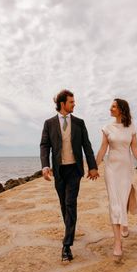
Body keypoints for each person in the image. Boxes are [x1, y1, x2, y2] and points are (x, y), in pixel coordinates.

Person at [40, 89, 99, 262]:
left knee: (70, 203)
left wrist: (93, 167)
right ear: (62, 104)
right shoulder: (49, 123)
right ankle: (70, 229)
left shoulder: (79, 123)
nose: (74, 104)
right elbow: (44, 146)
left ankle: (66, 246)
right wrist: (45, 166)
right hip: (59, 171)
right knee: (63, 205)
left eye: (74, 101)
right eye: (71, 102)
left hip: (74, 170)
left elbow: (86, 146)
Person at [96, 98, 137, 260]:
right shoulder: (107, 128)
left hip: (126, 169)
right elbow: (103, 148)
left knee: (123, 199)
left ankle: (124, 222)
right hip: (111, 169)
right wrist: (93, 166)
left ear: (121, 110)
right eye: (111, 106)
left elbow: (134, 147)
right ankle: (117, 243)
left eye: (113, 106)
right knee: (114, 202)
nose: (110, 109)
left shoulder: (131, 127)